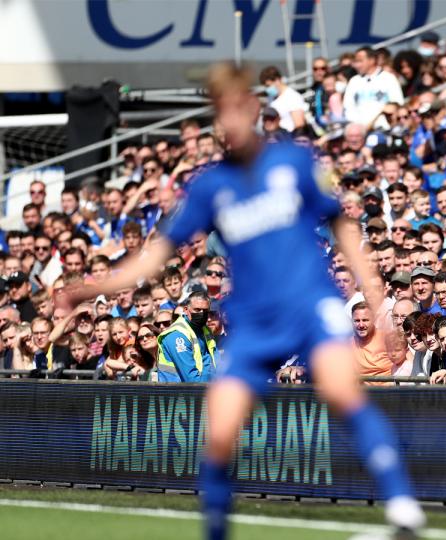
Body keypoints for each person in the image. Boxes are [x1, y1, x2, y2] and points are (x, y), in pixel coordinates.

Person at [60, 63, 424, 539]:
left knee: (343, 394)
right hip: (252, 323)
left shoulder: (294, 161)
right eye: (219, 112)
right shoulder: (209, 187)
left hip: (310, 307)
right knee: (219, 433)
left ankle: (403, 510)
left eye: (235, 108)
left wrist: (375, 294)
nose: (228, 120)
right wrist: (89, 287)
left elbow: (343, 227)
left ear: (252, 109)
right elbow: (152, 260)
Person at [156, 291, 217, 382]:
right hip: (177, 393)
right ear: (186, 310)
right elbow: (191, 379)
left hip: (203, 389)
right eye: (197, 310)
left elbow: (216, 361)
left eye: (205, 310)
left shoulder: (205, 330)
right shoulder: (177, 335)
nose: (201, 313)